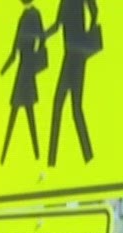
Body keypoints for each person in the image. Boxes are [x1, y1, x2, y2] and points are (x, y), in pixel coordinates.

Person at [45, 0, 99, 166]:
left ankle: (88, 157)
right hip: (69, 56)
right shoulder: (64, 2)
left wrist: (89, 33)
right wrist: (41, 35)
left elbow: (94, 9)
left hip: (77, 56)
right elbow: (57, 25)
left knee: (74, 107)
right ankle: (52, 161)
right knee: (60, 105)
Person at [0, 0, 50, 164]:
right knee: (18, 111)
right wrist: (2, 70)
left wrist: (35, 58)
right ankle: (4, 157)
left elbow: (41, 38)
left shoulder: (34, 14)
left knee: (28, 112)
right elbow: (14, 50)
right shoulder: (23, 16)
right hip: (22, 67)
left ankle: (37, 155)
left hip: (27, 67)